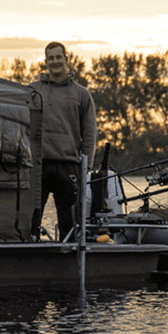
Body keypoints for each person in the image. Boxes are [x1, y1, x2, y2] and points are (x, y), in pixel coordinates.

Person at [29, 42, 97, 240]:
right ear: (46, 61)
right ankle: (27, 256)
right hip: (38, 166)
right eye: (51, 58)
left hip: (69, 167)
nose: (55, 62)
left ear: (66, 59)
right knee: (30, 221)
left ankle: (67, 261)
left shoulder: (81, 94)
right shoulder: (32, 91)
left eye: (59, 57)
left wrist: (87, 165)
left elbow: (90, 133)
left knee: (69, 224)